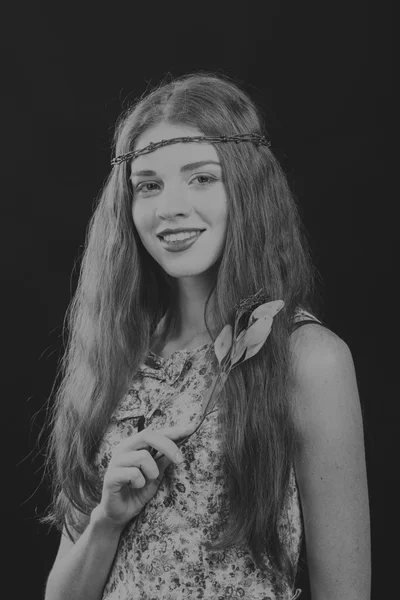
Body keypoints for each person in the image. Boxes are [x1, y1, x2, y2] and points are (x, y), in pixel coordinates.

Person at [42, 72, 371, 600]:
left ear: (246, 187)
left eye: (201, 178)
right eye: (148, 184)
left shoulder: (309, 359)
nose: (169, 206)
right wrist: (106, 520)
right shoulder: (117, 358)